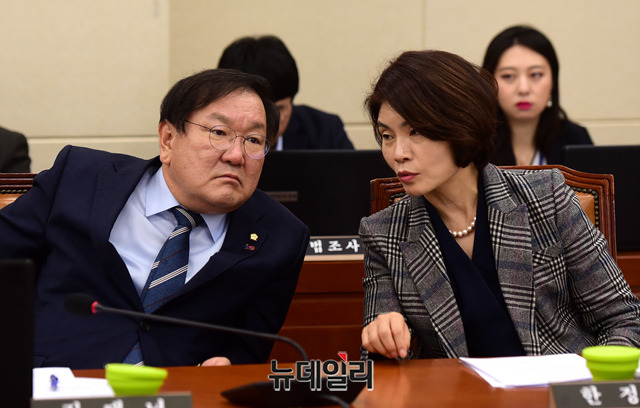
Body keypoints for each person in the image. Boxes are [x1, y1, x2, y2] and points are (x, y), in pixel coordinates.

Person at [0, 68, 310, 369]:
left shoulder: (281, 238)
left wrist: (228, 364)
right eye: (219, 133)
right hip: (52, 383)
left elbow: (249, 348)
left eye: (254, 140)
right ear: (168, 139)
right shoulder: (81, 178)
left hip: (177, 391)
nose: (236, 155)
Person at [359, 50, 640, 360]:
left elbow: (624, 320)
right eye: (387, 135)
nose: (398, 153)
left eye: (415, 131)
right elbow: (376, 362)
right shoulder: (383, 233)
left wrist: (592, 379)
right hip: (456, 389)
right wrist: (384, 337)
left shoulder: (546, 197)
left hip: (562, 383)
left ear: (462, 125)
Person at [218, 35, 354, 150]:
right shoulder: (212, 135)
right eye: (258, 109)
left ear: (291, 102)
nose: (267, 121)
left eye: (279, 109)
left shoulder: (324, 131)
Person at [482, 25, 592, 165]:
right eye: (508, 76)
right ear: (489, 82)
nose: (523, 89)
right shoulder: (475, 143)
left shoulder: (575, 138)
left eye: (535, 74)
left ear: (553, 81)